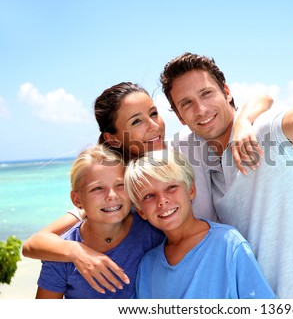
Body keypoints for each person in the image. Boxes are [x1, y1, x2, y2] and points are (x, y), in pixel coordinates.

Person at [159, 10, 293, 299]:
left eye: (206, 94)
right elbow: (133, 177)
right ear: (177, 114)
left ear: (226, 91)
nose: (200, 109)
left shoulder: (265, 130)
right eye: (186, 103)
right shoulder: (188, 151)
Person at [22, 82, 272, 294]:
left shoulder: (184, 149)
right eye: (137, 121)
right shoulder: (114, 193)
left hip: (216, 266)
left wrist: (243, 122)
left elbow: (264, 97)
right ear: (113, 138)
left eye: (153, 113)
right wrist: (77, 252)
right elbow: (34, 243)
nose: (153, 126)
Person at [124, 149, 276, 298]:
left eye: (171, 187)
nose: (162, 200)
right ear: (141, 211)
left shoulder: (229, 244)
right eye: (149, 196)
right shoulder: (147, 266)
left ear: (191, 190)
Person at [35, 144, 164, 298]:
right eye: (97, 188)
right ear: (77, 199)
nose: (111, 195)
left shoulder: (151, 232)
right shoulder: (60, 255)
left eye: (120, 185)